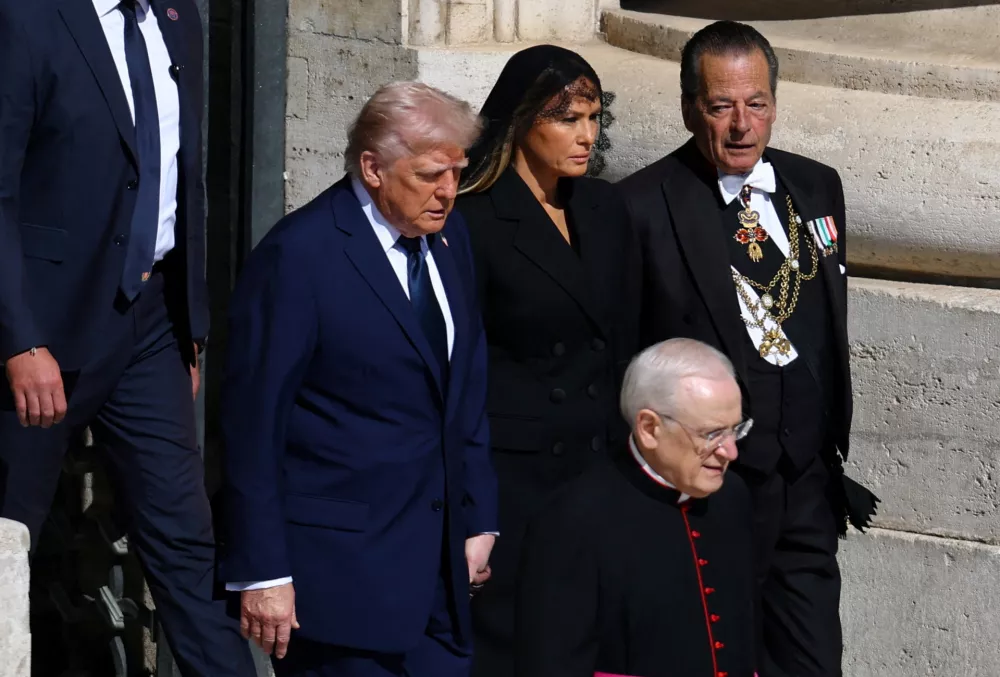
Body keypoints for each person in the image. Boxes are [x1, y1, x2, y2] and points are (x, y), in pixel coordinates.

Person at [0, 2, 255, 674]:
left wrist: (190, 320)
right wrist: (19, 340)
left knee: (184, 540)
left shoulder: (175, 18)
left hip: (151, 325)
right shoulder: (28, 18)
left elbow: (183, 176)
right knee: (5, 540)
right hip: (41, 332)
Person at [617, 20, 877, 677]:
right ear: (688, 109)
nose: (741, 124)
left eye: (756, 103)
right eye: (721, 105)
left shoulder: (817, 187)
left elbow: (819, 323)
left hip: (807, 486)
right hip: (710, 490)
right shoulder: (641, 207)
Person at [219, 81, 499, 677]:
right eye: (430, 174)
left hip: (440, 579)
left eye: (457, 172)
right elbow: (252, 425)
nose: (448, 192)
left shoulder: (449, 240)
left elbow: (465, 388)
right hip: (340, 580)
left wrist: (478, 517)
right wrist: (264, 572)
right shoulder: (301, 256)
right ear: (372, 168)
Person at [456, 44, 641, 677]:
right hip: (516, 485)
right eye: (567, 118)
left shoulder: (605, 209)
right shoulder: (473, 218)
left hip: (596, 473)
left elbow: (625, 339)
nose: (587, 135)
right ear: (521, 121)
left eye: (594, 117)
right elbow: (461, 368)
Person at [516, 338, 756, 677]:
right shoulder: (574, 519)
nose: (730, 452)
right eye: (712, 434)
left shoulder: (732, 497)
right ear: (649, 429)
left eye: (736, 430)